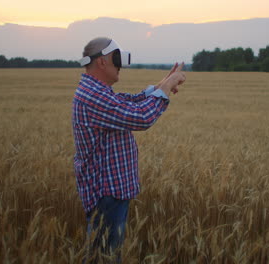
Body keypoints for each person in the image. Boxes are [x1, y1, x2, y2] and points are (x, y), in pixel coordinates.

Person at [72, 37, 186, 262]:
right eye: (117, 59)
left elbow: (129, 102)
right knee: (104, 257)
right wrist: (164, 88)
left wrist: (163, 84)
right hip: (106, 194)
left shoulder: (97, 91)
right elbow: (141, 117)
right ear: (103, 62)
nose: (120, 65)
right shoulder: (93, 96)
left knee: (105, 255)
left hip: (111, 192)